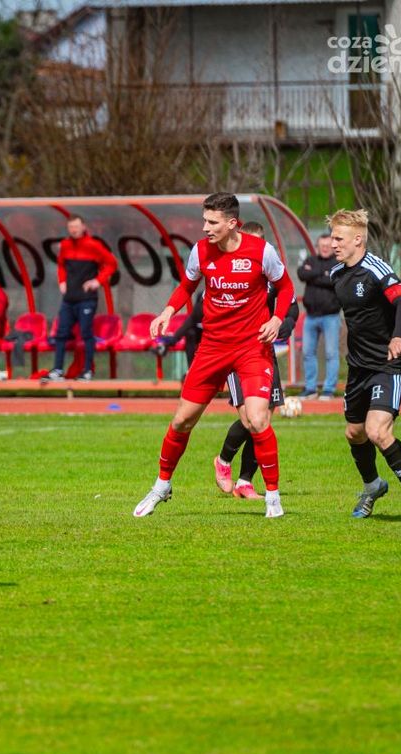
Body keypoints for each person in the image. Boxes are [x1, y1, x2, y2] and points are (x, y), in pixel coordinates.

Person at [133, 193, 294, 519]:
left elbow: (287, 288)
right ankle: (162, 485)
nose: (205, 227)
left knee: (259, 418)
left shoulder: (261, 251)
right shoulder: (200, 251)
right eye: (204, 220)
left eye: (212, 222)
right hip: (212, 348)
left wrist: (276, 319)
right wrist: (167, 311)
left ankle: (273, 498)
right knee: (182, 420)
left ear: (232, 224)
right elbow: (187, 287)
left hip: (251, 348)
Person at [328, 209, 401, 523]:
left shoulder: (375, 268)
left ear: (357, 239)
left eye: (339, 238)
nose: (333, 243)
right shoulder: (336, 275)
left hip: (389, 364)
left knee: (378, 431)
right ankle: (373, 486)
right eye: (332, 237)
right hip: (358, 367)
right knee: (355, 433)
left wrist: (398, 337)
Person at [212, 221, 299, 500]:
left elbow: (292, 305)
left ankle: (245, 482)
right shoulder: (226, 271)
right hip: (235, 353)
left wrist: (283, 325)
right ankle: (223, 460)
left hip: (263, 353)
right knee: (250, 420)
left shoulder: (271, 269)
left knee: (262, 422)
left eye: (261, 241)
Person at [44, 216, 118, 381]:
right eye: (71, 227)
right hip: (69, 298)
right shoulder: (65, 245)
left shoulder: (94, 245)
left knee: (86, 333)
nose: (74, 230)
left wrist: (97, 281)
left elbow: (112, 263)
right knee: (61, 333)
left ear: (83, 226)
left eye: (76, 226)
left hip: (87, 299)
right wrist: (62, 281)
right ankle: (57, 370)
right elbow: (61, 265)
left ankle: (87, 371)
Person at [296, 233, 342, 399]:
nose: (325, 248)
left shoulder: (337, 263)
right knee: (308, 352)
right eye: (322, 246)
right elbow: (301, 274)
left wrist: (314, 275)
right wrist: (322, 274)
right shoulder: (311, 260)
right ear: (317, 247)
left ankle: (328, 389)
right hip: (311, 316)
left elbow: (333, 280)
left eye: (328, 246)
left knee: (331, 353)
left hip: (331, 316)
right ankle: (310, 388)